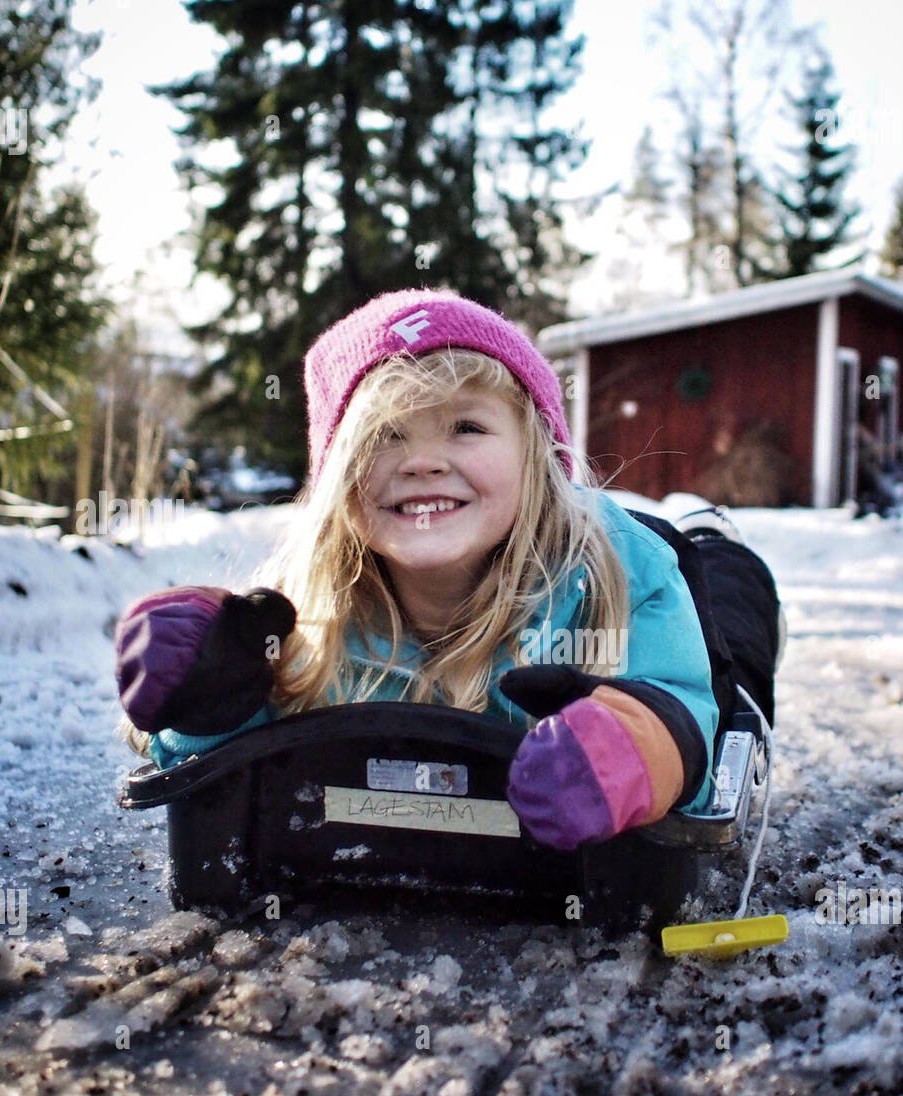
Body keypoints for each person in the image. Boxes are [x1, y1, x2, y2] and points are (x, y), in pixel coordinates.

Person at [114, 290, 781, 853]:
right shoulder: (306, 612)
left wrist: (633, 748)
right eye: (386, 436)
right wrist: (201, 695)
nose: (424, 461)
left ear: (535, 458)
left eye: (466, 427)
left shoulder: (623, 571)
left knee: (731, 625)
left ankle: (710, 531)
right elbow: (222, 765)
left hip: (680, 578)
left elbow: (691, 723)